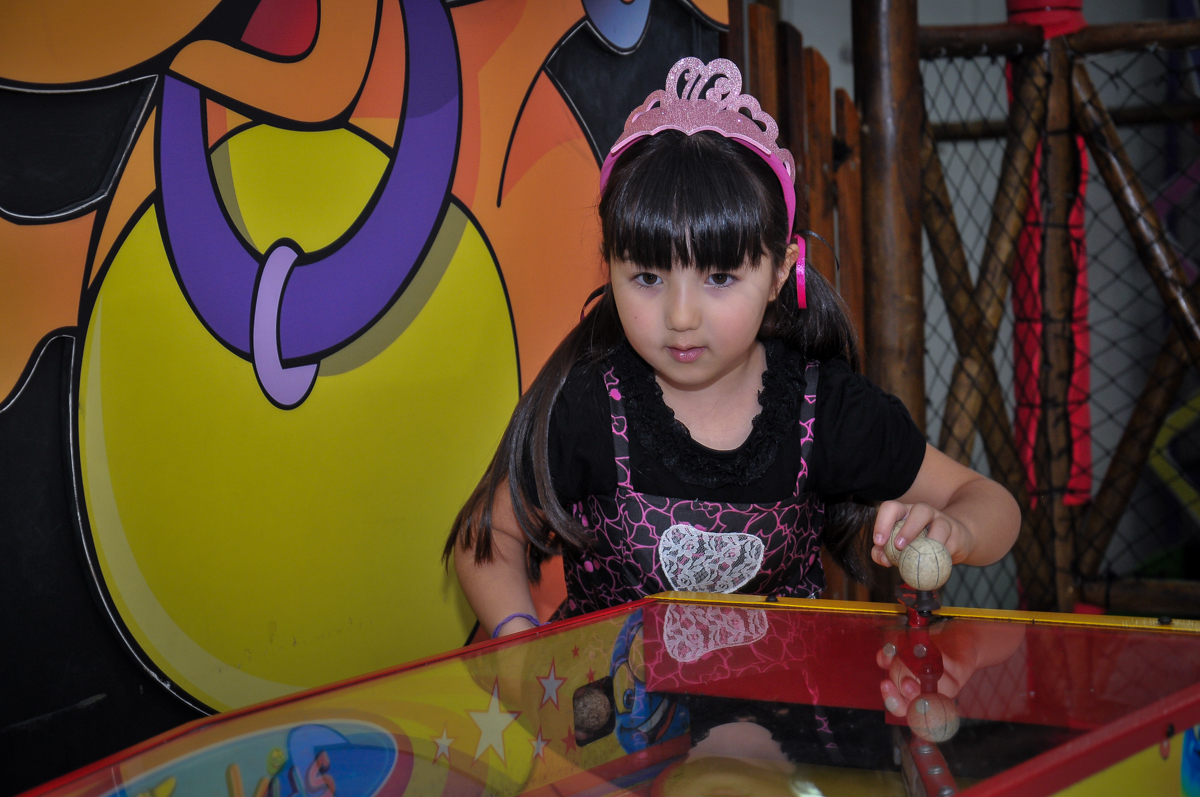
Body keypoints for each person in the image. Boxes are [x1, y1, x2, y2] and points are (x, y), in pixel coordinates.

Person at [445, 57, 1020, 638]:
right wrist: (518, 644)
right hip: (614, 725)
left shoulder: (826, 410)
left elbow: (990, 501)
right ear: (610, 264)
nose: (681, 316)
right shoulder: (589, 405)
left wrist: (959, 532)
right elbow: (487, 536)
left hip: (788, 723)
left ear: (779, 271)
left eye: (719, 277)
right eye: (647, 277)